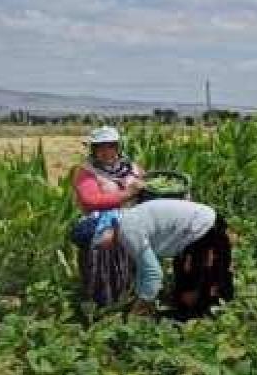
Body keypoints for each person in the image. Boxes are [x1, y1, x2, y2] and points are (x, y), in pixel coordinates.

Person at [77, 199, 234, 320]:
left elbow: (153, 273)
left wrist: (140, 307)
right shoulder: (125, 221)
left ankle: (205, 317)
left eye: (97, 243)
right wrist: (140, 295)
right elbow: (144, 268)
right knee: (186, 283)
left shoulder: (127, 231)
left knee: (194, 286)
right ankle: (215, 305)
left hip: (202, 229)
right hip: (201, 223)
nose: (101, 248)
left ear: (103, 229)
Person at [71, 126, 146, 307]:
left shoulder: (132, 168)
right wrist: (126, 194)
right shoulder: (86, 172)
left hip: (134, 221)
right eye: (100, 147)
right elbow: (91, 201)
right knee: (104, 259)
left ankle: (134, 299)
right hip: (101, 224)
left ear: (117, 147)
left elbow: (146, 189)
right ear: (93, 149)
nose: (106, 151)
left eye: (110, 146)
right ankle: (104, 303)